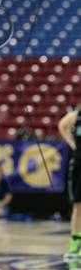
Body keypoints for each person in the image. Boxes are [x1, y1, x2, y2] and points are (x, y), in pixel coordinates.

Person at [58, 106, 81, 259]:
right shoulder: (77, 115)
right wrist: (72, 144)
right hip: (79, 163)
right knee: (77, 205)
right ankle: (75, 242)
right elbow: (62, 125)